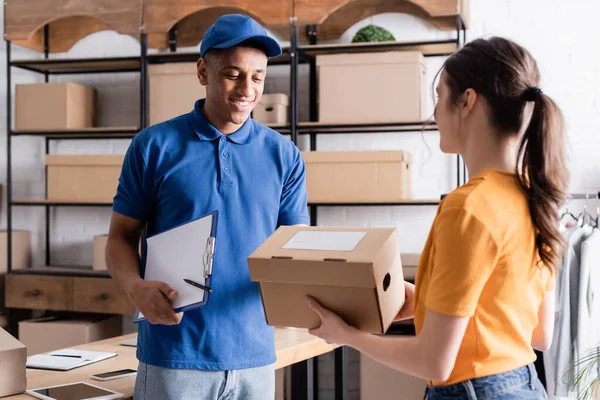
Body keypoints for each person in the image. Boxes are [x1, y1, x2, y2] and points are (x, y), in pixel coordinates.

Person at [306, 36, 566, 399]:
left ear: (468, 101)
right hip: (525, 386)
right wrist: (425, 300)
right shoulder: (535, 196)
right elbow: (539, 333)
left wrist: (347, 336)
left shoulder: (469, 206)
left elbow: (435, 362)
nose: (434, 113)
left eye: (440, 96)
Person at [106, 14, 309, 399]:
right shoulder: (154, 146)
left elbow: (295, 250)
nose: (246, 88)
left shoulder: (285, 155)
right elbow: (119, 237)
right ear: (203, 71)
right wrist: (136, 288)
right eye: (233, 74)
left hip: (257, 357)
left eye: (257, 76)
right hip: (174, 355)